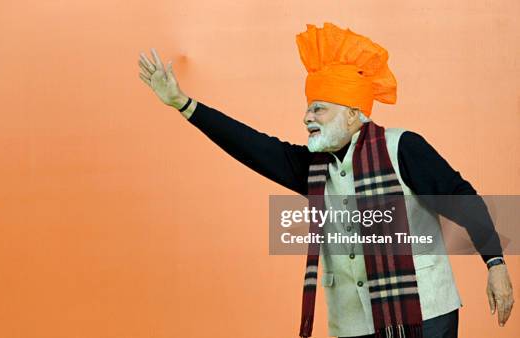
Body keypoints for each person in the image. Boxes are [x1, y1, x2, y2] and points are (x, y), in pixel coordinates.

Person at [137, 22, 513, 338]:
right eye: (307, 107)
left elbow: (462, 198)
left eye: (319, 108)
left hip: (425, 313)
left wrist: (495, 262)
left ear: (353, 114)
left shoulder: (402, 148)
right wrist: (185, 105)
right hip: (352, 324)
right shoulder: (312, 168)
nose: (307, 117)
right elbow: (250, 145)